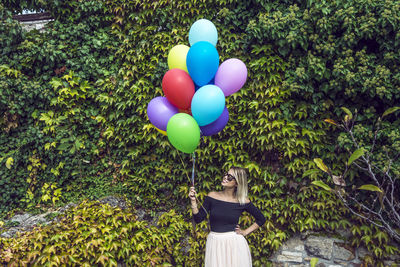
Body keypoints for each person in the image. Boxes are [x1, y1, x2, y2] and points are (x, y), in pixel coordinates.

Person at [189, 166, 266, 267]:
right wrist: (193, 201)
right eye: (226, 174)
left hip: (234, 244)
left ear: (237, 183)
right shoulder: (212, 196)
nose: (225, 177)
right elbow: (198, 219)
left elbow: (261, 219)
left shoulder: (242, 201)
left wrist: (245, 232)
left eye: (230, 177)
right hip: (214, 242)